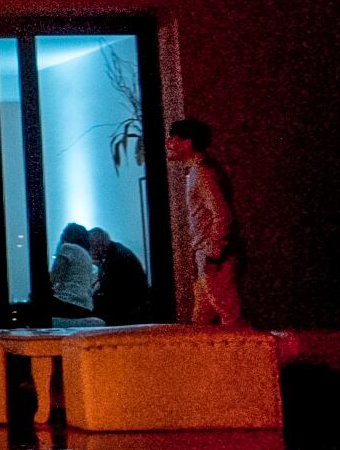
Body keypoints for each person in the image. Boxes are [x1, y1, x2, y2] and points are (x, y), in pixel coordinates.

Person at [169, 118, 244, 325]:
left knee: (229, 317)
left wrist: (213, 252)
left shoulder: (202, 173)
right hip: (210, 256)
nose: (169, 144)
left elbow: (222, 214)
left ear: (188, 142)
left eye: (174, 139)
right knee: (201, 320)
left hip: (216, 258)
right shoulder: (197, 172)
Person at [87, 226, 152, 326]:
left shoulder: (115, 260)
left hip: (128, 312)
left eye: (90, 247)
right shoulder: (116, 252)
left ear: (97, 246)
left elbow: (111, 293)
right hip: (134, 308)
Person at [46, 223, 98, 325]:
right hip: (86, 307)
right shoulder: (86, 255)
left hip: (67, 302)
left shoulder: (67, 248)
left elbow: (55, 278)